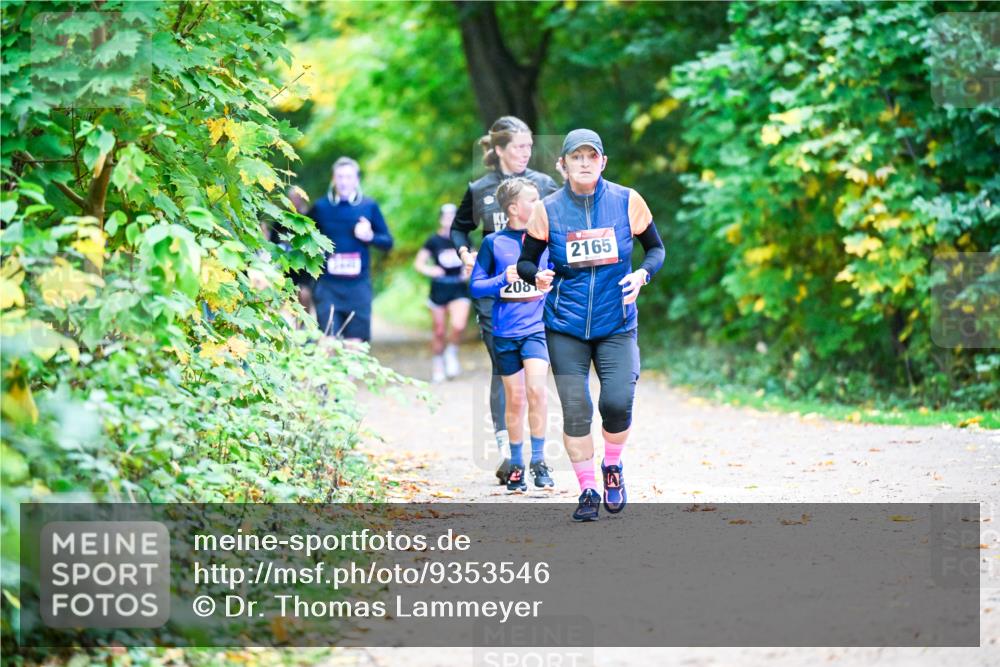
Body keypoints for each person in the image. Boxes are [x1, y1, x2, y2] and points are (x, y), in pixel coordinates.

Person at [517, 129, 665, 522]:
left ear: (603, 162)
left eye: (591, 156)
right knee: (576, 410)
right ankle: (587, 489)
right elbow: (525, 261)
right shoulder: (547, 209)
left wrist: (642, 275)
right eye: (576, 157)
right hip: (565, 326)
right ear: (562, 165)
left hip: (616, 322)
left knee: (617, 403)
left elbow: (655, 248)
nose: (584, 163)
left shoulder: (627, 201)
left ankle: (612, 465)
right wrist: (536, 276)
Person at [450, 116, 559, 485]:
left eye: (530, 146)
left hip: (534, 298)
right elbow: (459, 228)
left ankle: (535, 457)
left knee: (536, 384)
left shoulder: (542, 184)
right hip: (497, 293)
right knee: (504, 370)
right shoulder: (480, 189)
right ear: (498, 149)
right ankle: (508, 451)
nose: (526, 152)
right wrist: (465, 254)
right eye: (519, 146)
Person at [470, 178, 554, 492]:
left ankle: (539, 461)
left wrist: (548, 281)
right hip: (505, 331)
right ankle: (517, 464)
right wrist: (501, 280)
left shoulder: (546, 239)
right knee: (516, 399)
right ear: (514, 208)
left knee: (537, 391)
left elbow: (561, 272)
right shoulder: (493, 243)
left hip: (536, 329)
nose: (539, 204)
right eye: (533, 199)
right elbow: (476, 286)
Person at [309, 157, 393, 343]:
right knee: (328, 344)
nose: (344, 182)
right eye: (339, 177)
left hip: (358, 287)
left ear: (356, 180)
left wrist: (370, 236)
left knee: (354, 347)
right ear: (333, 179)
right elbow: (304, 240)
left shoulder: (368, 206)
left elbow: (388, 242)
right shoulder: (321, 207)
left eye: (348, 177)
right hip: (328, 286)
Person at [414, 203, 470, 382]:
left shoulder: (464, 239)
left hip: (458, 288)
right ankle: (438, 363)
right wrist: (431, 270)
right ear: (440, 219)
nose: (449, 219)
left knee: (458, 325)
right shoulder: (433, 240)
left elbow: (474, 261)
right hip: (439, 289)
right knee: (439, 331)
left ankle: (451, 353)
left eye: (453, 216)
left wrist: (468, 271)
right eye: (446, 216)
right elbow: (419, 263)